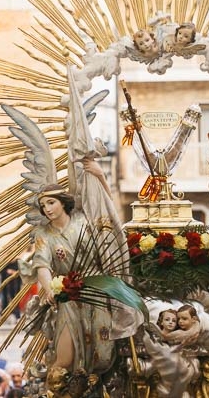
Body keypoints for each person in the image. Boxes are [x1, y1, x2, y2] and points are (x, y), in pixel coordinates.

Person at [19, 159, 136, 374]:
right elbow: (42, 265)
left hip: (99, 290)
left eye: (51, 203)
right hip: (69, 294)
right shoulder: (44, 234)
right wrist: (50, 288)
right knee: (65, 358)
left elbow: (107, 209)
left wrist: (100, 176)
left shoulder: (84, 219)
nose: (47, 209)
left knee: (102, 355)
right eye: (43, 206)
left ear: (63, 202)